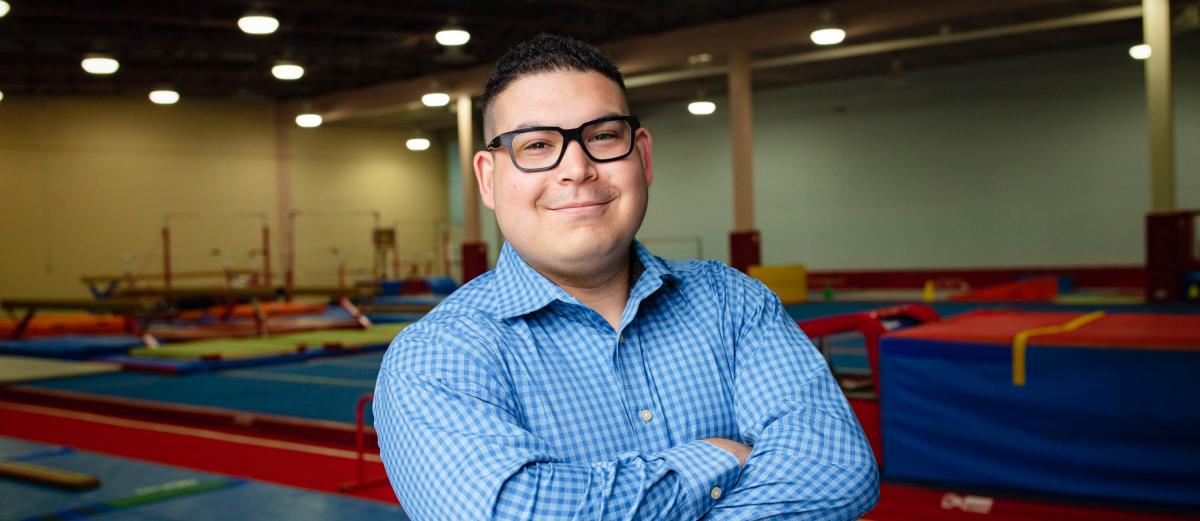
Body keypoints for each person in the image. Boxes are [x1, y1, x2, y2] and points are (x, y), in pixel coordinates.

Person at [373, 33, 878, 520]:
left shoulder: (733, 302)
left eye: (602, 136)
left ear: (643, 155)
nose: (576, 168)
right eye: (536, 146)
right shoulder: (437, 356)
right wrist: (717, 460)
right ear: (488, 177)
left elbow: (837, 468)